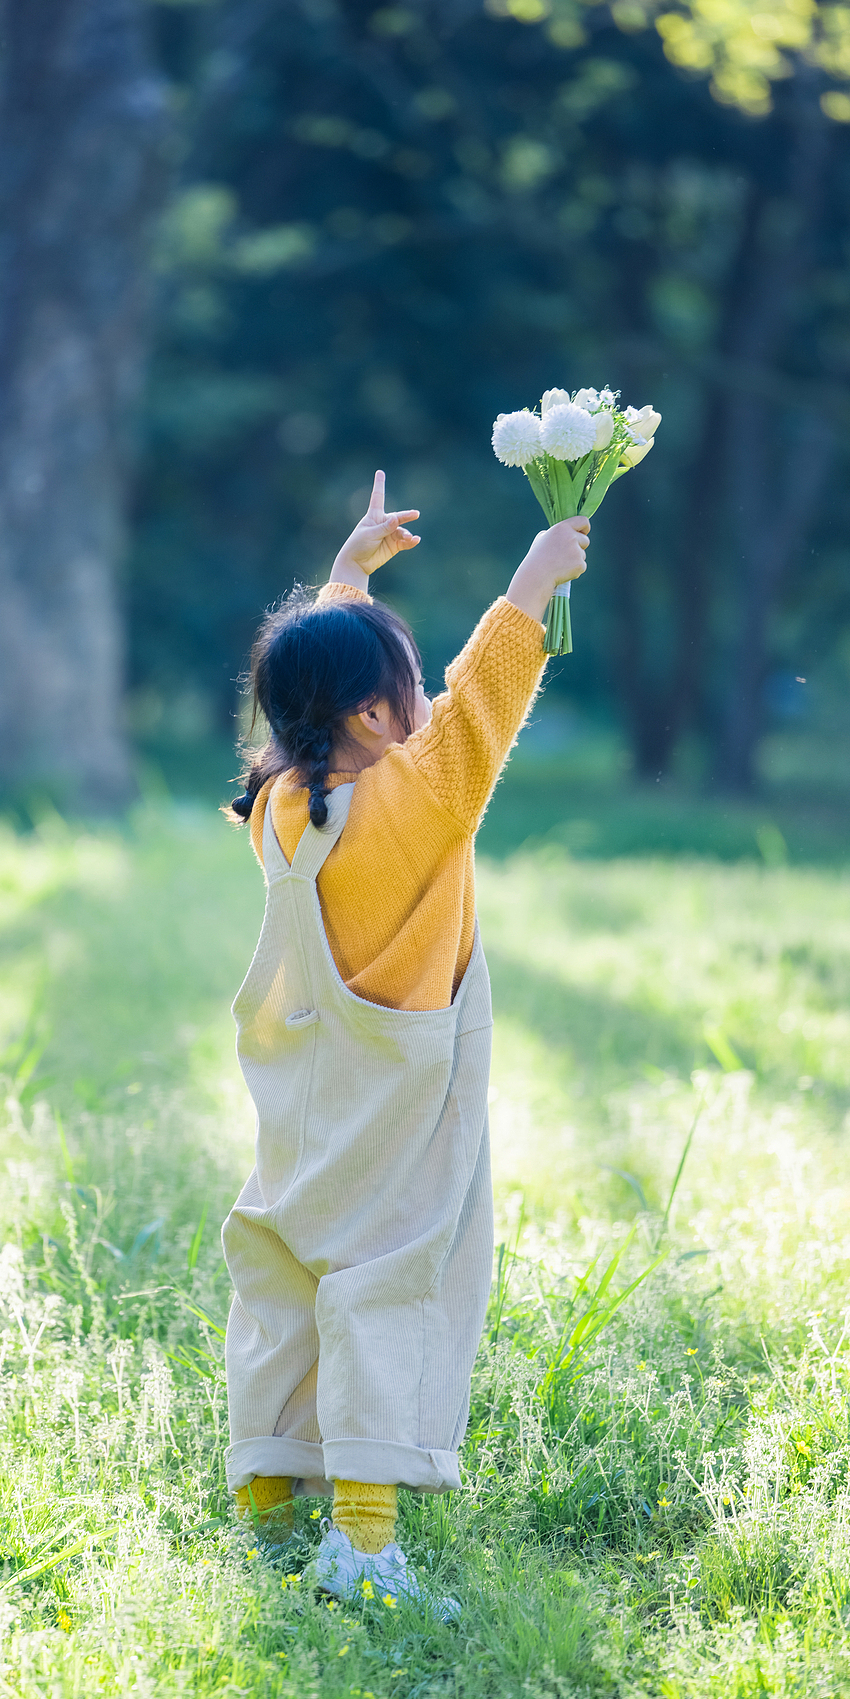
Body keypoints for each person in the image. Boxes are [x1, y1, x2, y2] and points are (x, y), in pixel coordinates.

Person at [222, 470, 590, 1607]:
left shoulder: (281, 800)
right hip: (396, 1091)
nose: (427, 704)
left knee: (286, 1274)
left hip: (303, 1092)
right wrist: (538, 571)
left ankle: (268, 1505)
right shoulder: (418, 797)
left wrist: (349, 574)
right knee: (390, 1276)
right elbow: (485, 694)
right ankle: (364, 1548)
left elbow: (314, 695)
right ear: (376, 718)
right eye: (405, 691)